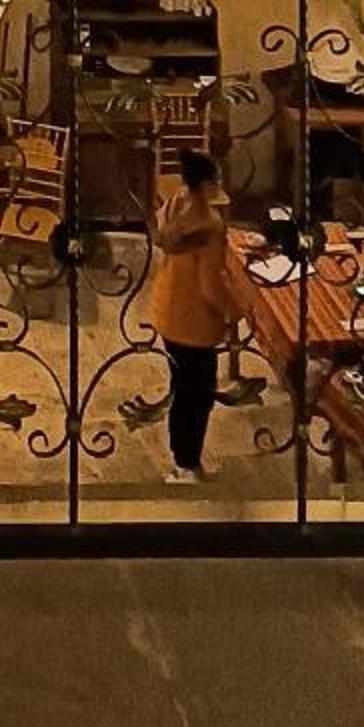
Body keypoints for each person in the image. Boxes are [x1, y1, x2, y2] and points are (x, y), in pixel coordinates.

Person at [151, 149, 242, 485]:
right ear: (205, 184)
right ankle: (188, 463)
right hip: (194, 321)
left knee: (181, 388)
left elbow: (161, 231)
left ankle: (180, 459)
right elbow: (209, 286)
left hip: (168, 307)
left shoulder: (177, 202)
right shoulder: (209, 225)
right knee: (198, 396)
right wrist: (234, 311)